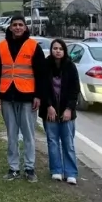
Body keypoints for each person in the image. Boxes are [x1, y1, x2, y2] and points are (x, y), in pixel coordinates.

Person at [0, 14, 45, 182]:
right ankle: (13, 168)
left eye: (21, 25)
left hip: (27, 97)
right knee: (11, 134)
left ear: (25, 27)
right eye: (15, 25)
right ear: (10, 27)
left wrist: (38, 96)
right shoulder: (1, 47)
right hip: (6, 96)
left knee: (28, 134)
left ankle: (29, 168)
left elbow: (41, 74)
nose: (18, 27)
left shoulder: (33, 46)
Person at [41, 39, 80, 184]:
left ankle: (70, 172)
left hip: (67, 111)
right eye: (55, 48)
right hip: (49, 110)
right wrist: (49, 106)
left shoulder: (70, 67)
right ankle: (56, 170)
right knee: (52, 141)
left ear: (64, 51)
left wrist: (69, 109)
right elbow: (42, 88)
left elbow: (75, 90)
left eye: (60, 48)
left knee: (68, 142)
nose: (57, 51)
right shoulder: (45, 66)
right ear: (51, 50)